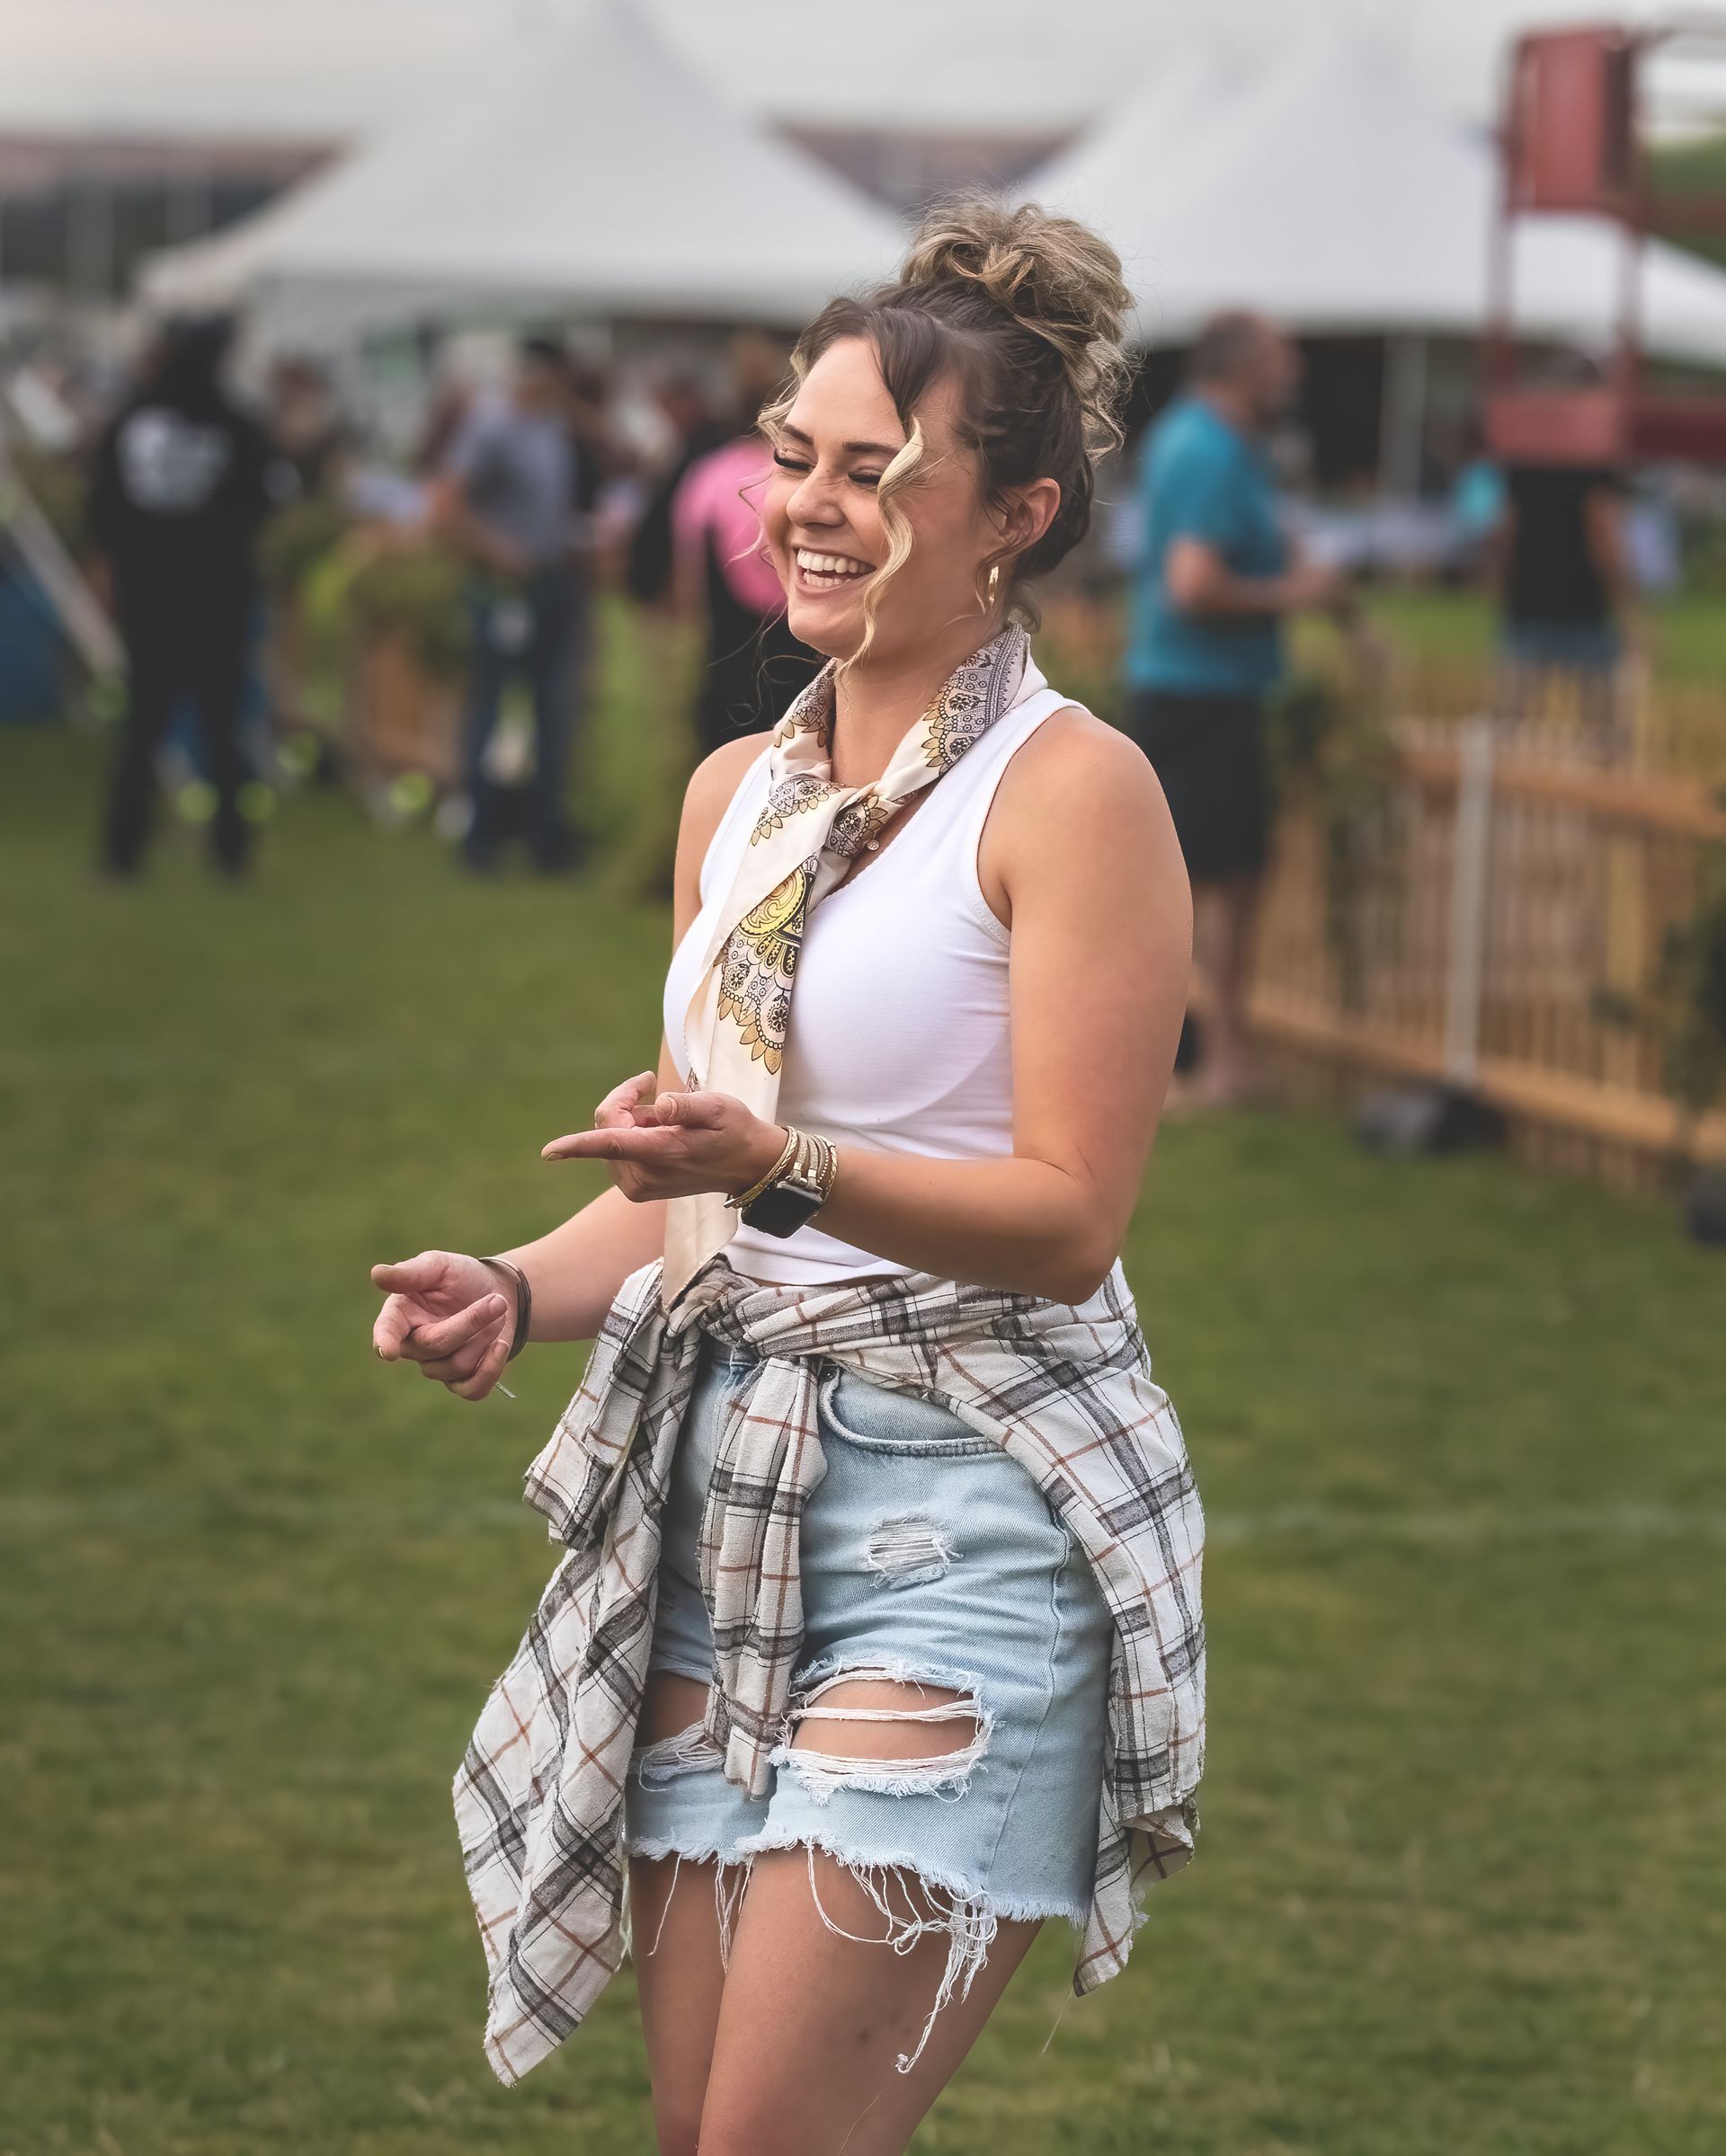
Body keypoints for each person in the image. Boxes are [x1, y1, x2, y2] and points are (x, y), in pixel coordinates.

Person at [370, 200, 1206, 2156]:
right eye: (797, 459)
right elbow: (695, 1189)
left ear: (1018, 513)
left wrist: (788, 1164)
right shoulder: (735, 791)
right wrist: (512, 1272)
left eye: (878, 474)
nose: (810, 509)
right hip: (726, 1491)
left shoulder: (1077, 792)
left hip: (964, 1518)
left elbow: (1073, 1209)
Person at [1125, 311, 1347, 1105]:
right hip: (1200, 693)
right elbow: (1193, 583)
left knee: (1217, 879)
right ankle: (1215, 1065)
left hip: (1202, 691)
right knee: (1216, 884)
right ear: (1241, 365)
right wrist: (1300, 593)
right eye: (1281, 355)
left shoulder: (1213, 443)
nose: (1293, 371)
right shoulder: (1209, 450)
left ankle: (1211, 1057)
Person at [87, 315, 280, 878]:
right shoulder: (235, 423)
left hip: (148, 594)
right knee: (222, 724)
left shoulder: (132, 418)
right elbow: (260, 503)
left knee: (144, 724)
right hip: (218, 596)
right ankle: (230, 851)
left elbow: (103, 510)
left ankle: (123, 852)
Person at [432, 335, 588, 874]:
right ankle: (481, 834)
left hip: (551, 583)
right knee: (492, 712)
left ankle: (544, 833)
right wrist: (499, 552)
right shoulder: (492, 426)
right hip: (504, 590)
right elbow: (446, 504)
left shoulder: (552, 425)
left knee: (553, 712)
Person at [671, 413, 819, 759]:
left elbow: (688, 580)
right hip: (804, 656)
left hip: (727, 659)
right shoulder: (804, 474)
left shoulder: (708, 475)